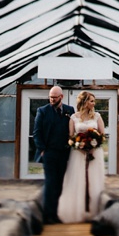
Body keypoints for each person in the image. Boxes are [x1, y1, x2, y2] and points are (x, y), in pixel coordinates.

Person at [58, 91, 106, 223]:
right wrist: (79, 145)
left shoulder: (97, 116)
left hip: (94, 153)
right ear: (84, 102)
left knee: (93, 180)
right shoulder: (74, 117)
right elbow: (71, 136)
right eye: (91, 101)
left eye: (94, 101)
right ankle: (78, 211)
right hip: (78, 153)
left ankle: (94, 212)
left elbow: (102, 135)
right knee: (78, 180)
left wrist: (93, 146)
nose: (93, 103)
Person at [33, 85, 74, 224]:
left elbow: (71, 130)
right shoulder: (42, 111)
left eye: (55, 97)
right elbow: (37, 133)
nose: (52, 99)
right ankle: (47, 215)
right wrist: (42, 149)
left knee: (59, 184)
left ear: (61, 97)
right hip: (49, 152)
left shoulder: (69, 110)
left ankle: (54, 214)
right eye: (50, 97)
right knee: (50, 183)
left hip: (63, 153)